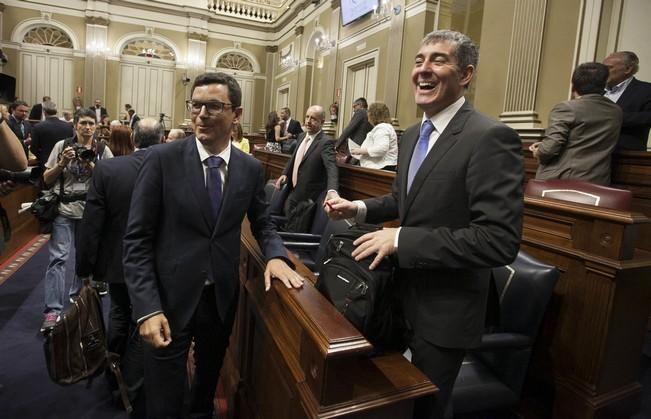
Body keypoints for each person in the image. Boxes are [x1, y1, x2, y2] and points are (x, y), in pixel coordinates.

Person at [325, 30, 523, 419]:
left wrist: (402, 239)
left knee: (426, 411)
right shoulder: (414, 132)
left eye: (438, 60)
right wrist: (358, 209)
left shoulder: (490, 137)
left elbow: (499, 241)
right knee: (390, 401)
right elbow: (404, 201)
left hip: (444, 311)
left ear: (465, 74)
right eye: (419, 61)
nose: (423, 70)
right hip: (398, 298)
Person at [122, 72, 304, 419]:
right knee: (163, 400)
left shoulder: (250, 168)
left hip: (219, 298)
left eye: (214, 106)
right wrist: (146, 307)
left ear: (236, 114)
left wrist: (276, 255)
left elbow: (263, 222)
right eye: (196, 105)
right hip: (167, 300)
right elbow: (136, 240)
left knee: (205, 392)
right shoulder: (162, 159)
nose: (202, 114)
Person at [76, 118, 163, 411]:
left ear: (134, 139)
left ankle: (114, 374)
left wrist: (84, 268)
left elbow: (91, 224)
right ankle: (130, 382)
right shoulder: (171, 170)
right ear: (162, 139)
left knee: (120, 314)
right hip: (156, 264)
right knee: (145, 320)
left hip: (116, 261)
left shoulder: (109, 168)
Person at [39, 108, 114, 332]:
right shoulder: (61, 146)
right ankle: (52, 311)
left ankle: (76, 301)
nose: (87, 127)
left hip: (90, 211)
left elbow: (110, 179)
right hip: (63, 208)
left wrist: (91, 164)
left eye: (91, 123)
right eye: (83, 123)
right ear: (76, 125)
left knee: (84, 261)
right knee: (58, 259)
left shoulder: (102, 149)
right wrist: (62, 163)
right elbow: (46, 178)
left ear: (96, 126)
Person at [530, 62, 622, 185]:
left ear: (573, 85)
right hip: (598, 180)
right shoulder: (616, 110)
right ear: (604, 84)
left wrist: (539, 152)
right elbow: (584, 139)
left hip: (562, 180)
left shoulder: (566, 108)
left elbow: (549, 149)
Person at [274, 105, 339, 216]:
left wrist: (332, 190)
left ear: (322, 122)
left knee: (294, 230)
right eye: (307, 117)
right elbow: (294, 157)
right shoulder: (301, 136)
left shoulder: (326, 142)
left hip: (307, 199)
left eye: (313, 118)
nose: (308, 121)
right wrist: (285, 173)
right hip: (292, 191)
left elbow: (331, 167)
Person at [603, 51, 651, 151]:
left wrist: (612, 117)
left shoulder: (646, 90)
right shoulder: (596, 90)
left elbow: (648, 117)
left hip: (626, 155)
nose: (603, 72)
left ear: (628, 69)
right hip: (591, 154)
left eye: (609, 68)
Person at [350, 102, 398, 171]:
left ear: (374, 115)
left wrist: (361, 151)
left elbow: (382, 148)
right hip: (379, 167)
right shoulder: (383, 127)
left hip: (381, 168)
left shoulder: (382, 128)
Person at [30, 101, 74, 168]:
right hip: (65, 161)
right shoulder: (68, 126)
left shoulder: (38, 127)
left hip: (45, 162)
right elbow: (72, 144)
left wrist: (42, 156)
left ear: (44, 112)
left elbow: (33, 148)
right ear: (56, 112)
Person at [334, 97, 373, 161]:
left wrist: (337, 145)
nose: (354, 110)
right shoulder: (369, 114)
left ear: (360, 105)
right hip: (364, 147)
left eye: (354, 107)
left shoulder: (361, 112)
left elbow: (349, 129)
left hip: (355, 146)